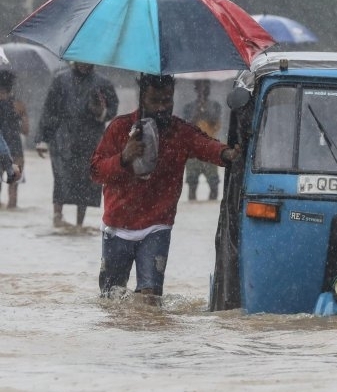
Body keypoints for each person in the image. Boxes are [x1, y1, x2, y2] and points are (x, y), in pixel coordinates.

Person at [90, 73, 240, 301]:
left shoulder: (180, 131)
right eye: (155, 101)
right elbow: (96, 171)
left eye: (167, 100)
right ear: (142, 99)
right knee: (110, 298)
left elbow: (205, 145)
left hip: (156, 227)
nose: (162, 107)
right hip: (117, 227)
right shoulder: (119, 128)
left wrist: (228, 154)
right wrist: (123, 158)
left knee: (150, 298)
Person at [35, 62, 118, 227]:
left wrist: (100, 112)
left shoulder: (103, 83)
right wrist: (42, 138)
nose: (83, 63)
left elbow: (112, 108)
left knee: (86, 181)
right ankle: (57, 218)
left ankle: (80, 224)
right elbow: (49, 110)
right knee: (60, 178)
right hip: (62, 139)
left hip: (90, 140)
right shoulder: (60, 79)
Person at [182, 79, 223, 200]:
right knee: (192, 184)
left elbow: (216, 123)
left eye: (206, 87)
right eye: (201, 87)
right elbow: (186, 126)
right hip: (193, 151)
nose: (204, 90)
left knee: (214, 184)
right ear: (196, 89)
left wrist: (205, 110)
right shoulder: (188, 107)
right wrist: (196, 113)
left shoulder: (215, 106)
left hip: (210, 149)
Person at [0, 70, 28, 208]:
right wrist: (21, 115)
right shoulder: (18, 105)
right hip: (16, 150)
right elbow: (26, 130)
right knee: (13, 190)